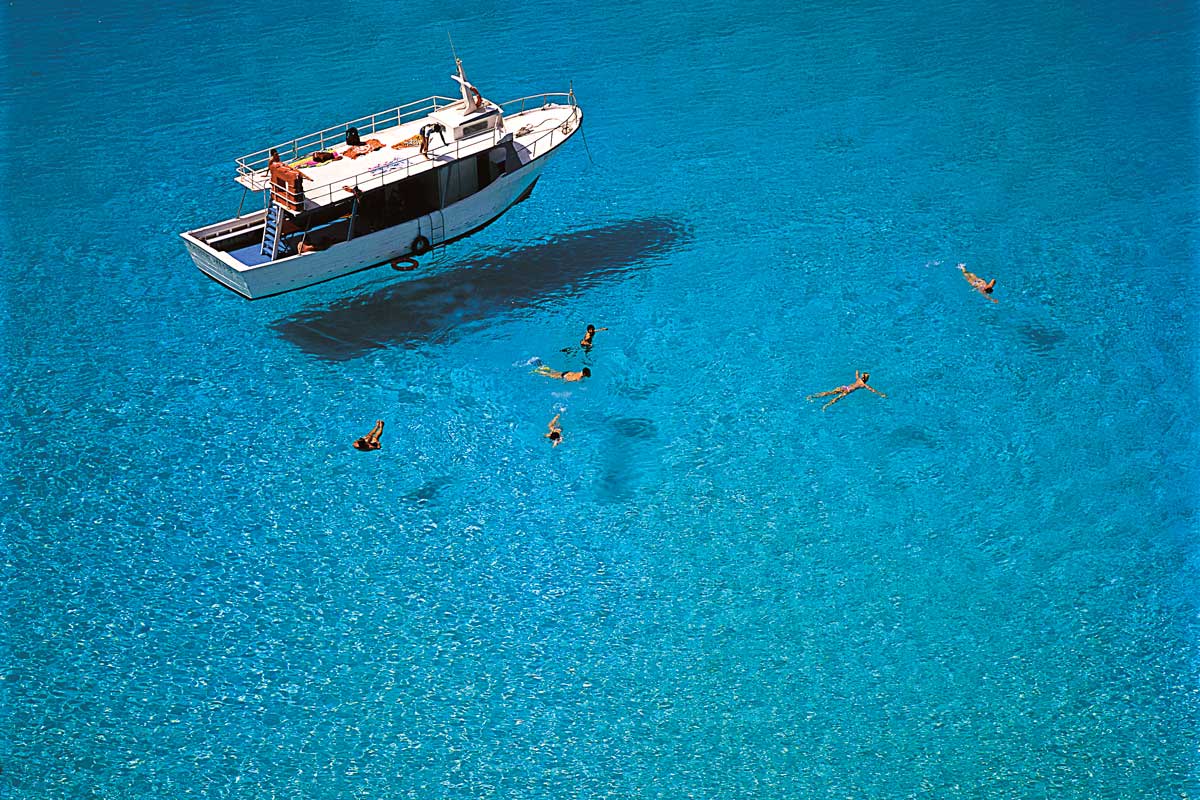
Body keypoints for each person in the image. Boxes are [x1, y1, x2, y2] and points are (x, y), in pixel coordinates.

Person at [806, 370, 886, 411]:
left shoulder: (858, 379)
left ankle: (812, 396)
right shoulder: (863, 385)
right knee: (836, 399)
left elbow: (856, 375)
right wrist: (881, 394)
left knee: (828, 393)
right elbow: (872, 390)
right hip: (848, 390)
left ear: (862, 376)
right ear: (867, 379)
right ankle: (825, 406)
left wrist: (857, 371)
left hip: (844, 387)